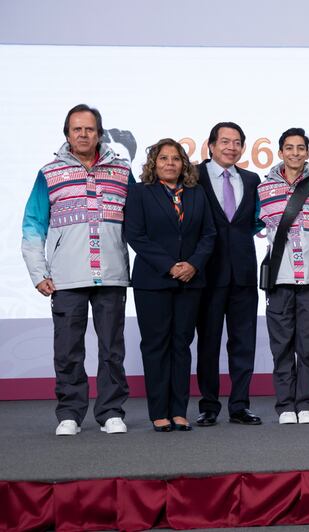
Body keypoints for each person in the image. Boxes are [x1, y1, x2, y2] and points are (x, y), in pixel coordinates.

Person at [22, 104, 134, 436]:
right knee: (68, 349)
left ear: (99, 134)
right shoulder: (49, 173)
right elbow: (32, 225)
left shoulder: (122, 172)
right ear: (67, 134)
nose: (83, 134)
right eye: (77, 129)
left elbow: (140, 223)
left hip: (111, 275)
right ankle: (69, 413)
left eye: (89, 129)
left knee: (112, 349)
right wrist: (38, 273)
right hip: (65, 278)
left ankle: (111, 411)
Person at [124, 139, 216, 431]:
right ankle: (159, 412)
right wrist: (169, 265)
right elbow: (135, 235)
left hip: (190, 281)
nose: (170, 163)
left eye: (176, 158)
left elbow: (209, 234)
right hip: (153, 281)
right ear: (154, 163)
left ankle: (179, 411)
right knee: (155, 346)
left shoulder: (197, 193)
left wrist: (193, 264)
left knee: (181, 346)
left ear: (183, 164)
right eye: (163, 158)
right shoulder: (139, 192)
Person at [258, 127, 309, 425]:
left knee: (308, 344)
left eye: (300, 148)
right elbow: (253, 222)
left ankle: (305, 404)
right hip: (279, 277)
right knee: (281, 345)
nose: (295, 153)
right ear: (280, 152)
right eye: (289, 147)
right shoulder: (263, 189)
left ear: (308, 152)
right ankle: (285, 405)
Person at [195, 122, 263, 427]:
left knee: (243, 343)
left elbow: (255, 222)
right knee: (208, 343)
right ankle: (208, 406)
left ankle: (240, 406)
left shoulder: (251, 179)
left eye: (237, 142)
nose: (231, 147)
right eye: (224, 141)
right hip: (207, 273)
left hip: (244, 273)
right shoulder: (193, 176)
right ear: (211, 145)